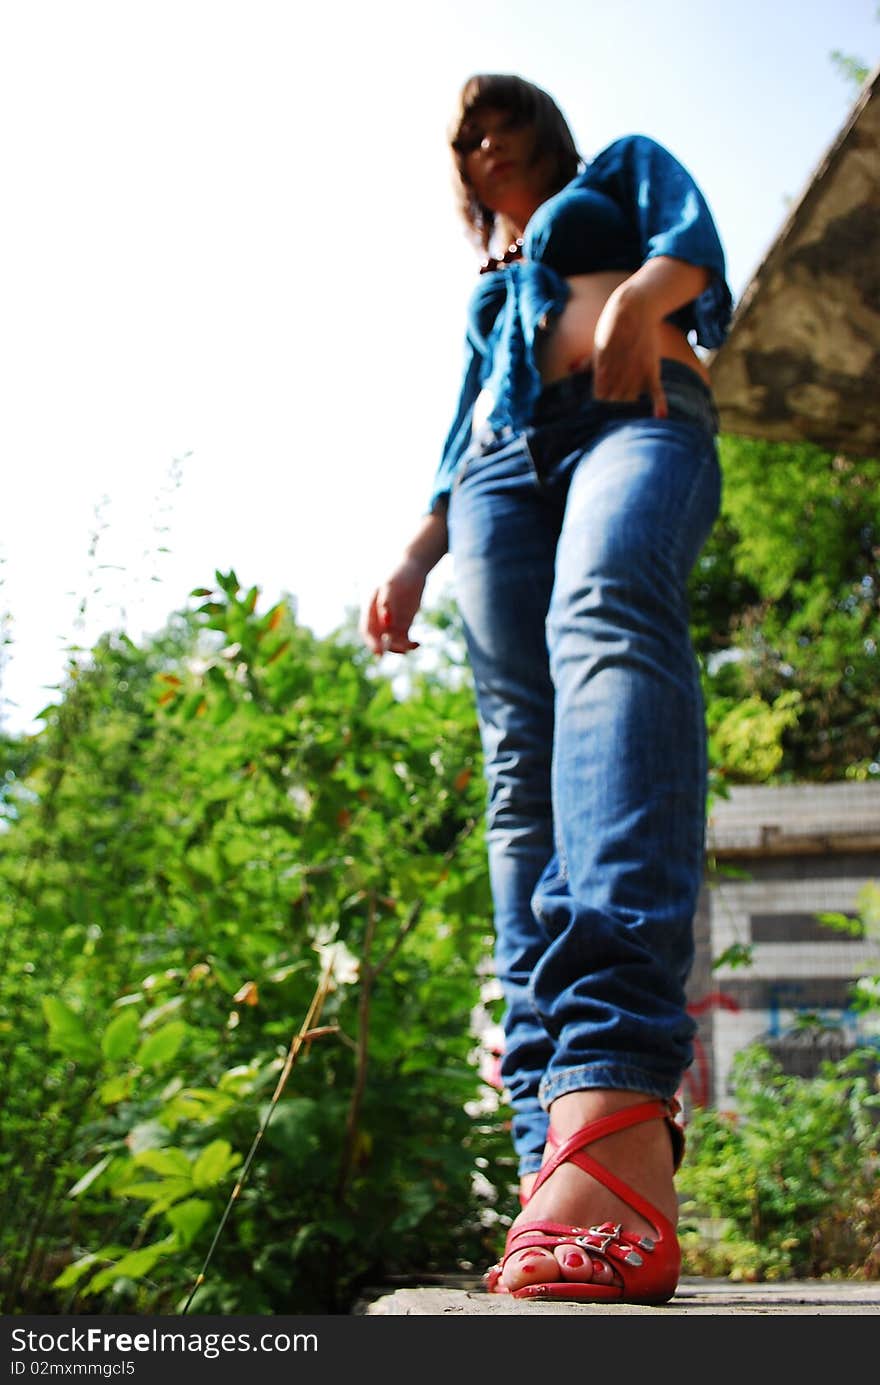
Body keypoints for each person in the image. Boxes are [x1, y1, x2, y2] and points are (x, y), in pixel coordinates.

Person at [360, 73, 732, 1304]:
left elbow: (694, 243)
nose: (480, 140)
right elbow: (464, 420)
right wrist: (417, 551)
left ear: (540, 133)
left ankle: (616, 1100)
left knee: (609, 612)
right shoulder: (485, 290)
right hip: (498, 478)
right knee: (519, 773)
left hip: (634, 408)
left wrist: (634, 296)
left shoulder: (613, 175)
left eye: (498, 118)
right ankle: (547, 1158)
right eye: (463, 133)